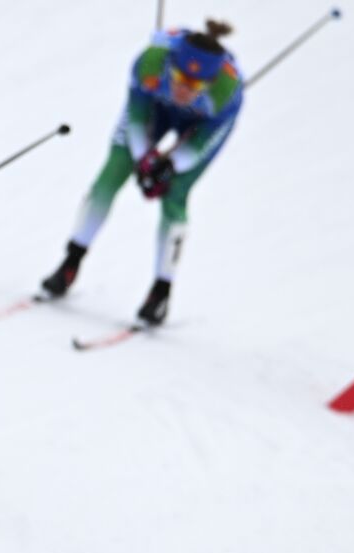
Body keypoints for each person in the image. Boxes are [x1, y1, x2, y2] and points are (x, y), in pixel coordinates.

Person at [40, 20, 243, 325]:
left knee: (175, 193)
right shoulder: (150, 62)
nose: (184, 90)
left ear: (209, 83)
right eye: (177, 79)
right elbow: (135, 120)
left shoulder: (226, 92)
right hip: (153, 111)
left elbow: (201, 145)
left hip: (199, 128)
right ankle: (70, 262)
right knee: (110, 177)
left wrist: (169, 165)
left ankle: (160, 292)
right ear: (169, 66)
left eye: (195, 86)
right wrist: (145, 158)